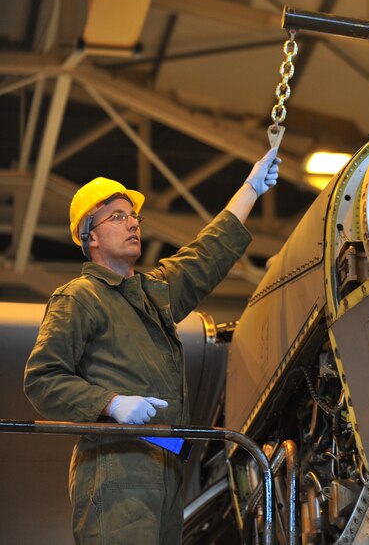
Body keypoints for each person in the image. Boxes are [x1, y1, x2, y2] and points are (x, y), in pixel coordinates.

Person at [23, 147, 281, 545]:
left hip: (163, 467)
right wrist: (111, 404)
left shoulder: (150, 294)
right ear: (90, 236)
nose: (132, 225)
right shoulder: (80, 296)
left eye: (134, 216)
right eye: (117, 217)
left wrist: (249, 189)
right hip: (116, 469)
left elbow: (204, 257)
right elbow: (42, 379)